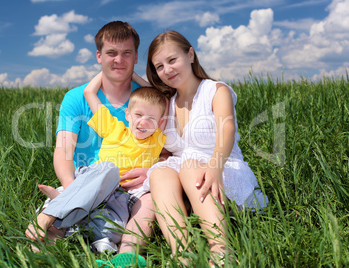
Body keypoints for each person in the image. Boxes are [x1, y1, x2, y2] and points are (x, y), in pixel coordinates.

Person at [25, 21, 161, 266]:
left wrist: (150, 173)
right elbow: (64, 149)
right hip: (85, 180)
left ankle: (126, 258)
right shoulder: (77, 97)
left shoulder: (147, 102)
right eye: (111, 53)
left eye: (126, 53)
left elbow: (167, 151)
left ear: (136, 57)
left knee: (150, 201)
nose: (119, 60)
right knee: (54, 226)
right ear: (98, 56)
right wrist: (73, 189)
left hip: (130, 190)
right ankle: (25, 258)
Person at [145, 30, 269, 266]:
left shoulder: (215, 90)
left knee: (190, 165)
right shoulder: (167, 104)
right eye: (159, 66)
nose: (167, 70)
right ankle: (182, 253)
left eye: (172, 60)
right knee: (160, 172)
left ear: (190, 55)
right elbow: (169, 151)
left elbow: (227, 130)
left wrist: (214, 167)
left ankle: (221, 250)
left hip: (222, 171)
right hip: (188, 182)